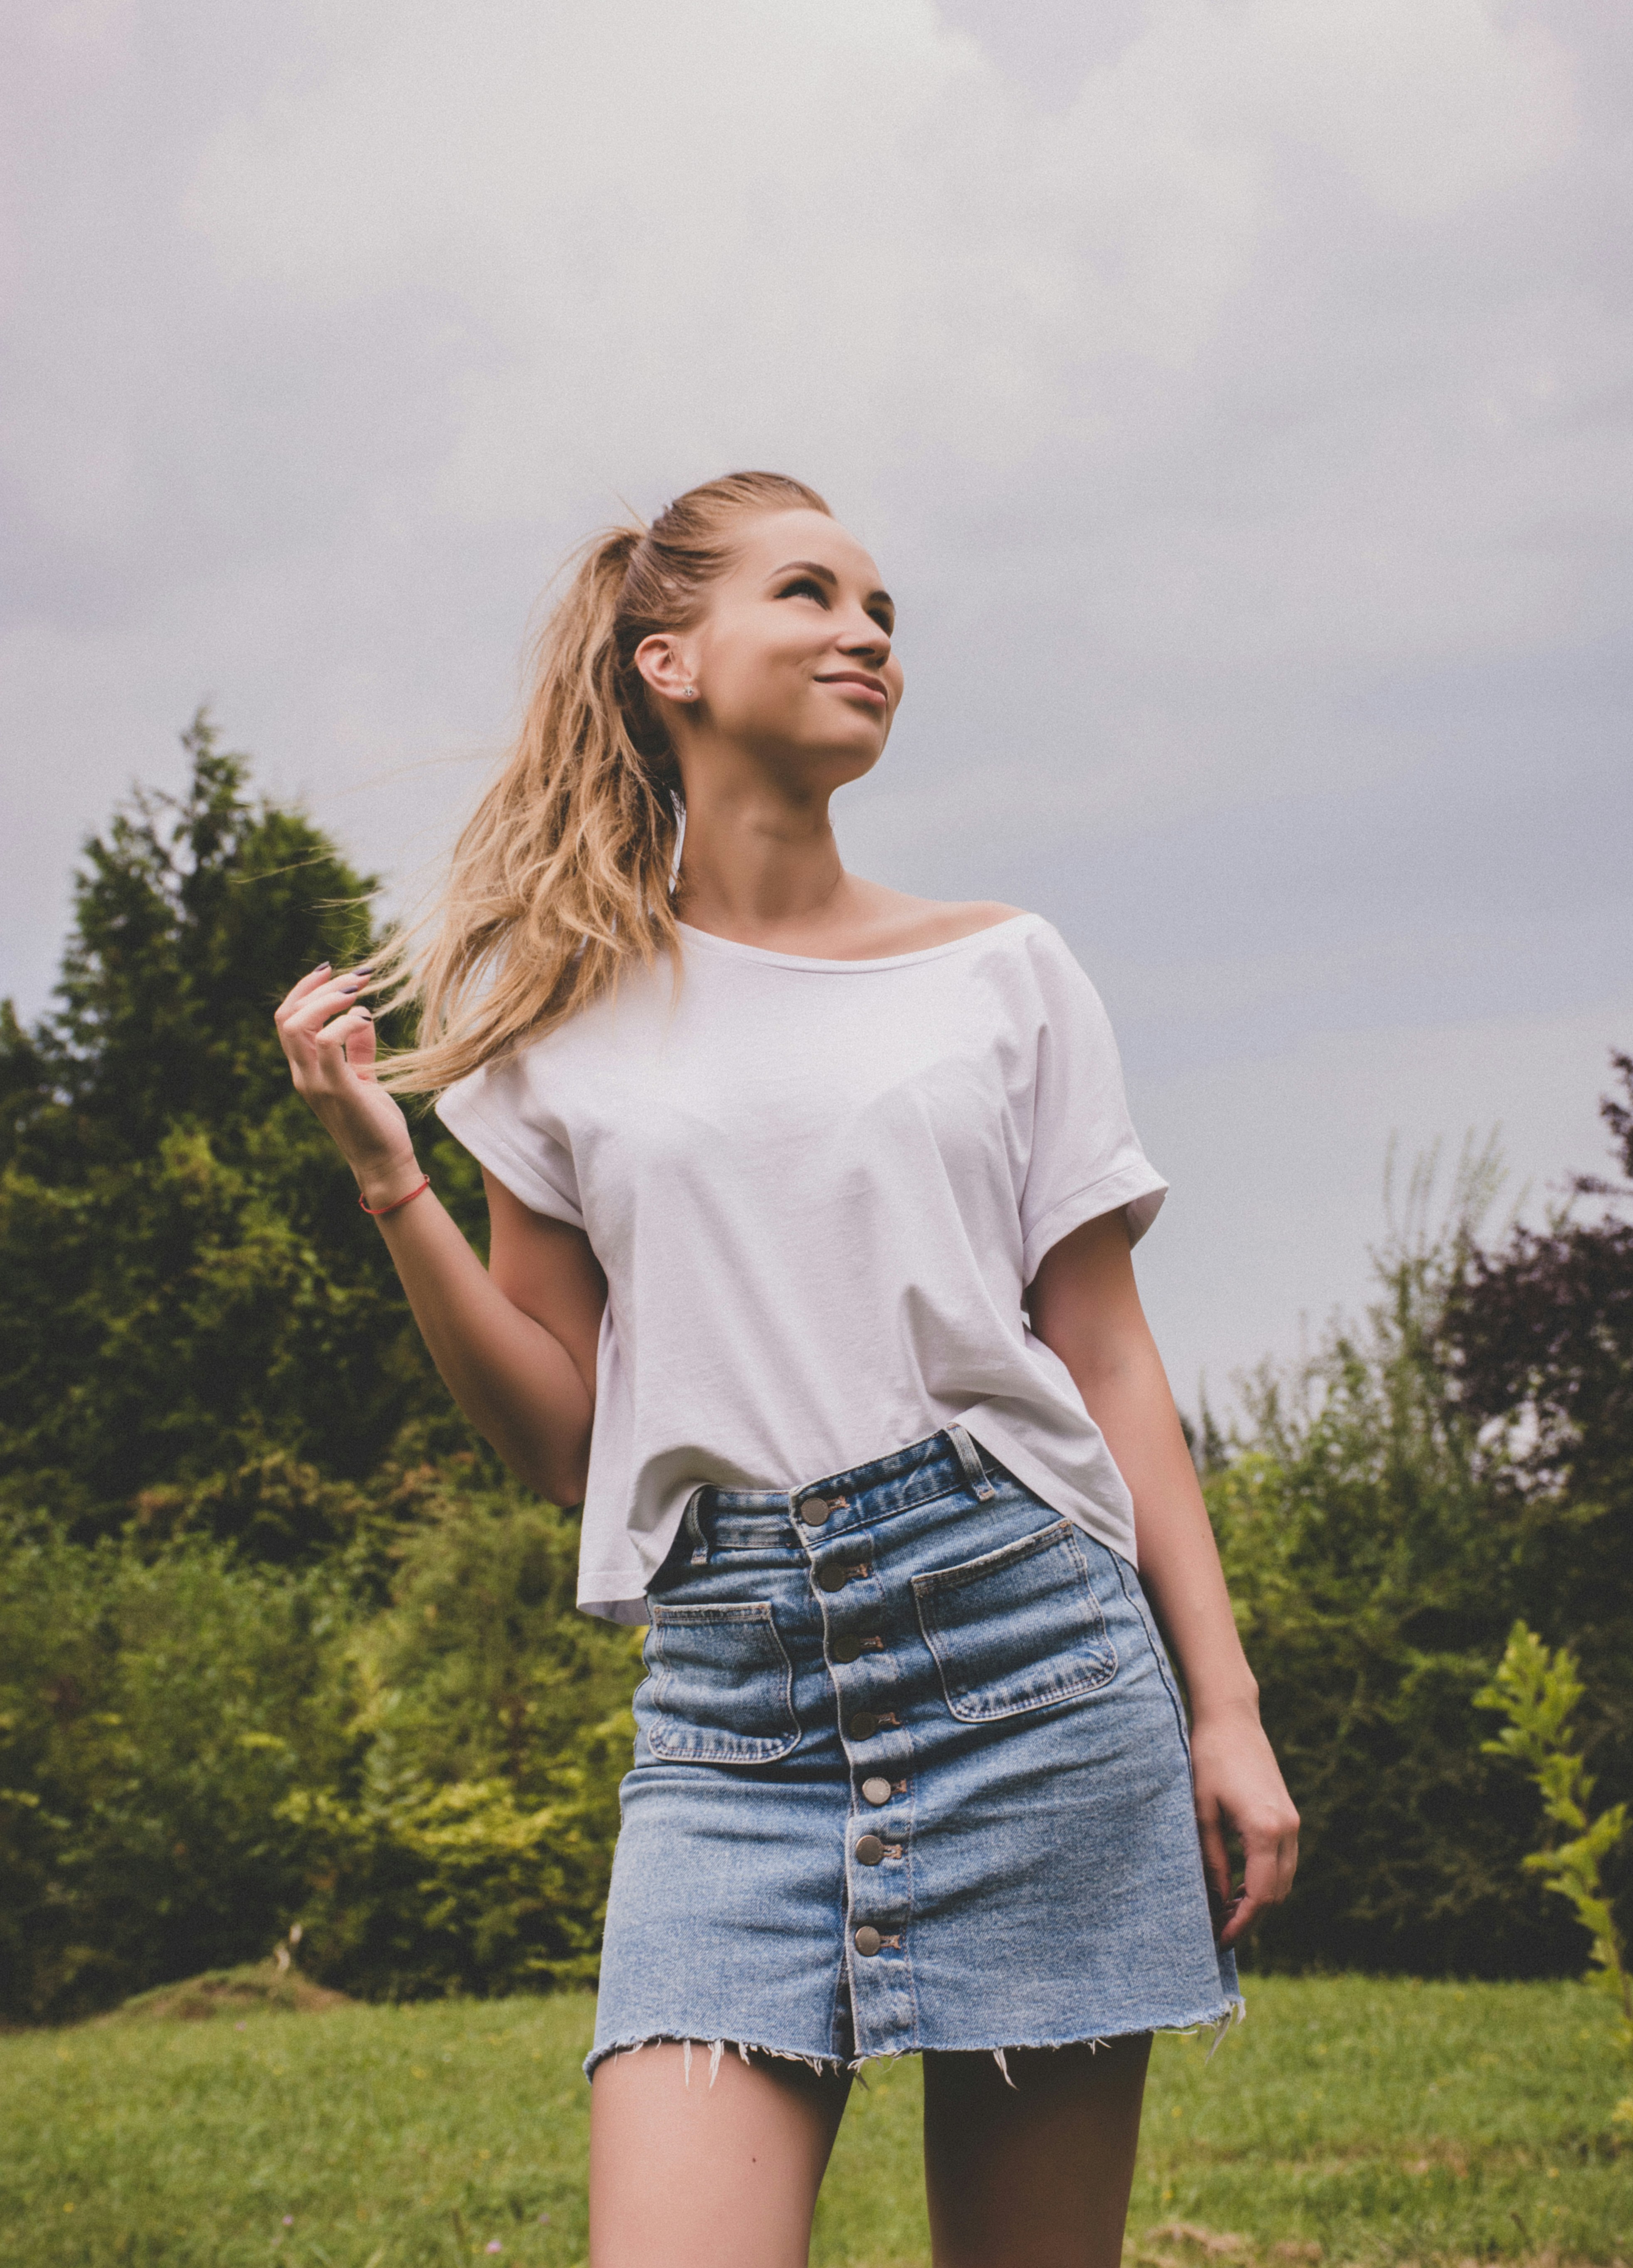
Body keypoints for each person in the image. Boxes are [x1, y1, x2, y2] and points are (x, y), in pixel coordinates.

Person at [276, 470, 1298, 2268]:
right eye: (813, 596)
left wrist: (1224, 1708)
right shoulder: (558, 1013)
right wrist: (388, 1180)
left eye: (885, 614)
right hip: (731, 1714)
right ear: (666, 658)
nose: (867, 638)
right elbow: (558, 1438)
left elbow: (1108, 1359)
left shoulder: (1007, 974)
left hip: (1030, 1661)